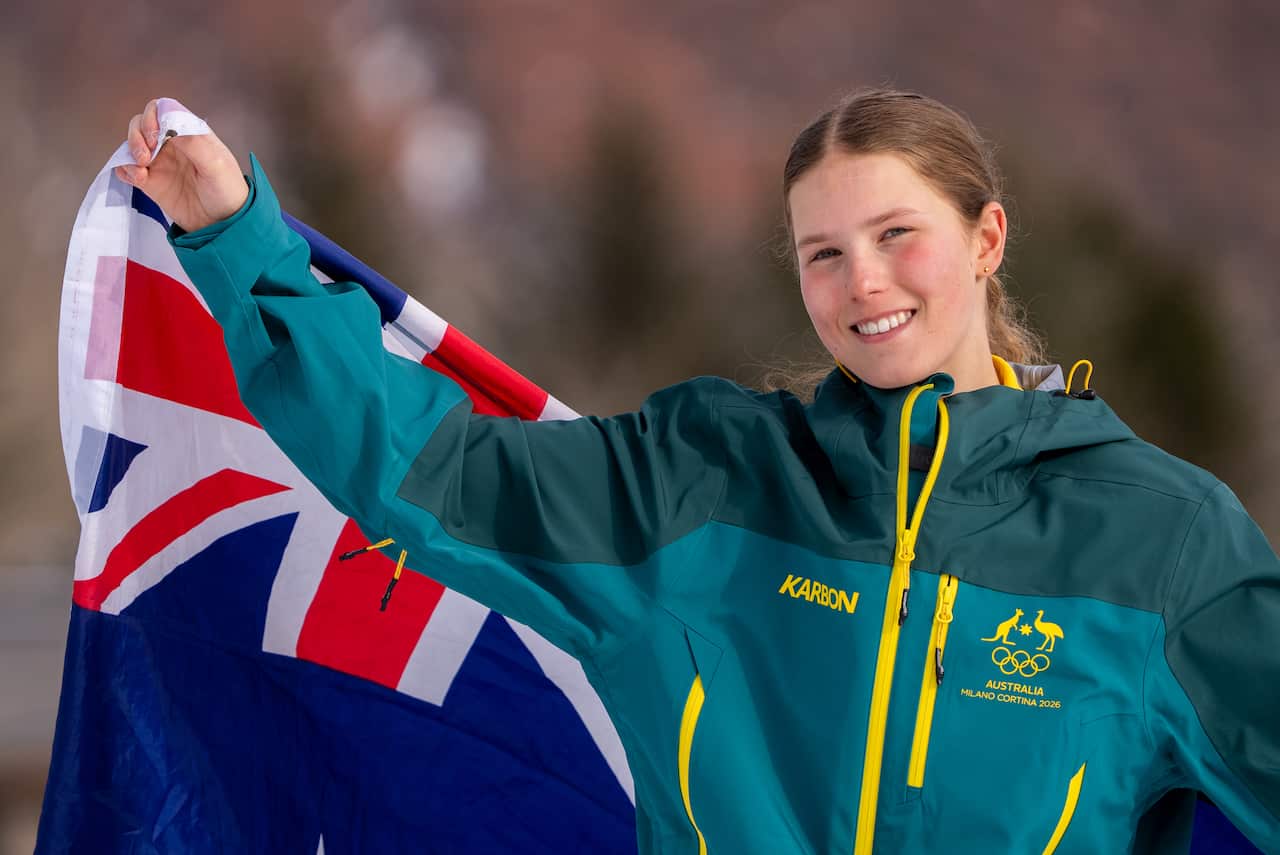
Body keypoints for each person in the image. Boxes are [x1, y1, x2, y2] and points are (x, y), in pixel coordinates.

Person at [116, 89, 1279, 853]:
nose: (861, 282)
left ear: (984, 240)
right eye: (822, 254)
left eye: (894, 235)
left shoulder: (1160, 541)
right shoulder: (699, 484)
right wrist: (236, 243)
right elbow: (425, 465)